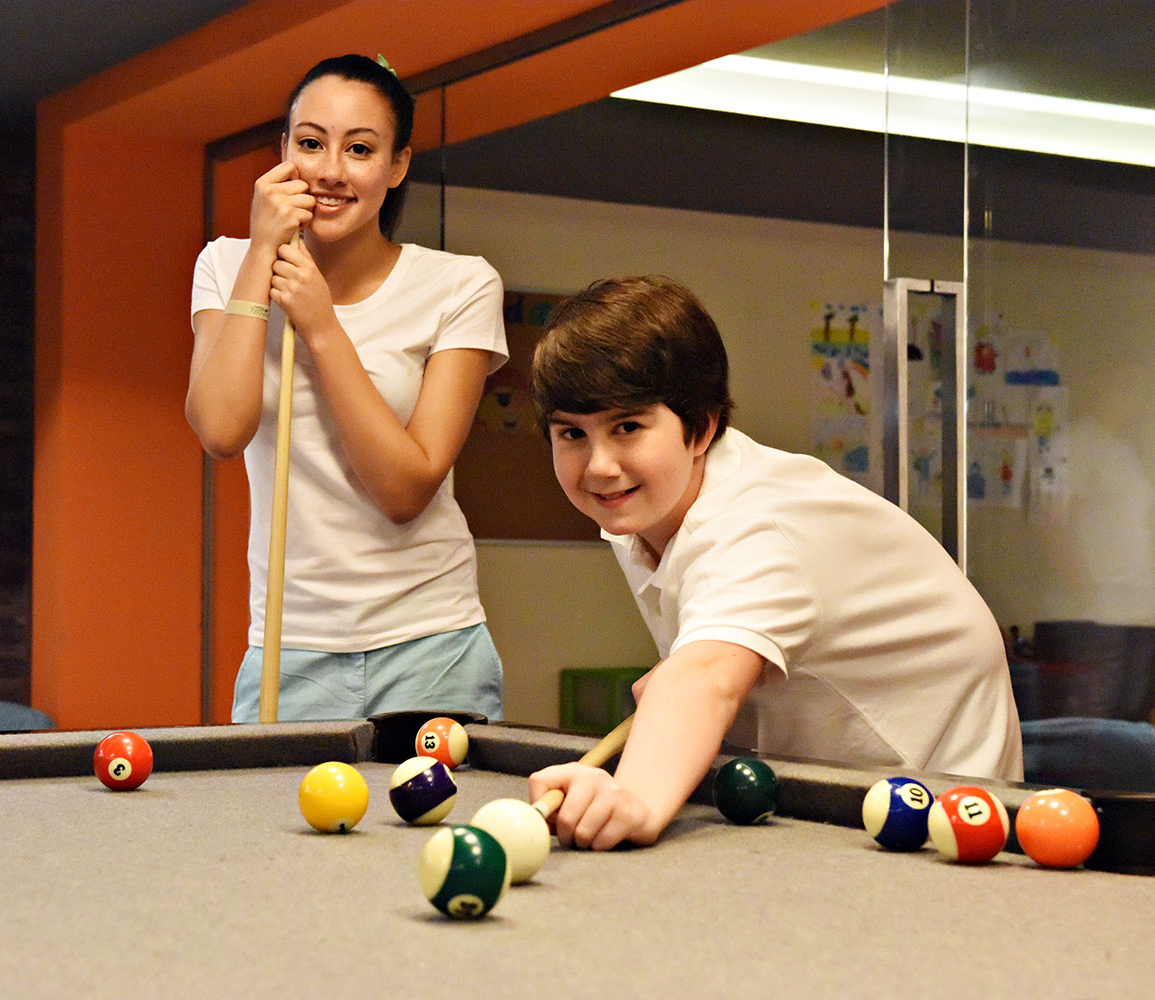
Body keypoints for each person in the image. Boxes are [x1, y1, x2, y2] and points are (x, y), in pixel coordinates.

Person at [526, 276, 1023, 850]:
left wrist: (634, 797)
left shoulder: (756, 524)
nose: (599, 467)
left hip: (946, 805)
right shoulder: (644, 509)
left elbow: (708, 676)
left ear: (701, 428)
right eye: (572, 434)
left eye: (628, 427)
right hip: (837, 789)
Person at [186, 54, 507, 723]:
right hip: (287, 646)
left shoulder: (459, 285)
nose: (330, 170)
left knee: (435, 832)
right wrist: (259, 258)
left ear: (396, 166)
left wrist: (322, 327)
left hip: (431, 645)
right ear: (282, 154)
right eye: (310, 143)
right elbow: (220, 429)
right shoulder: (223, 263)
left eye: (360, 149)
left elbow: (405, 488)